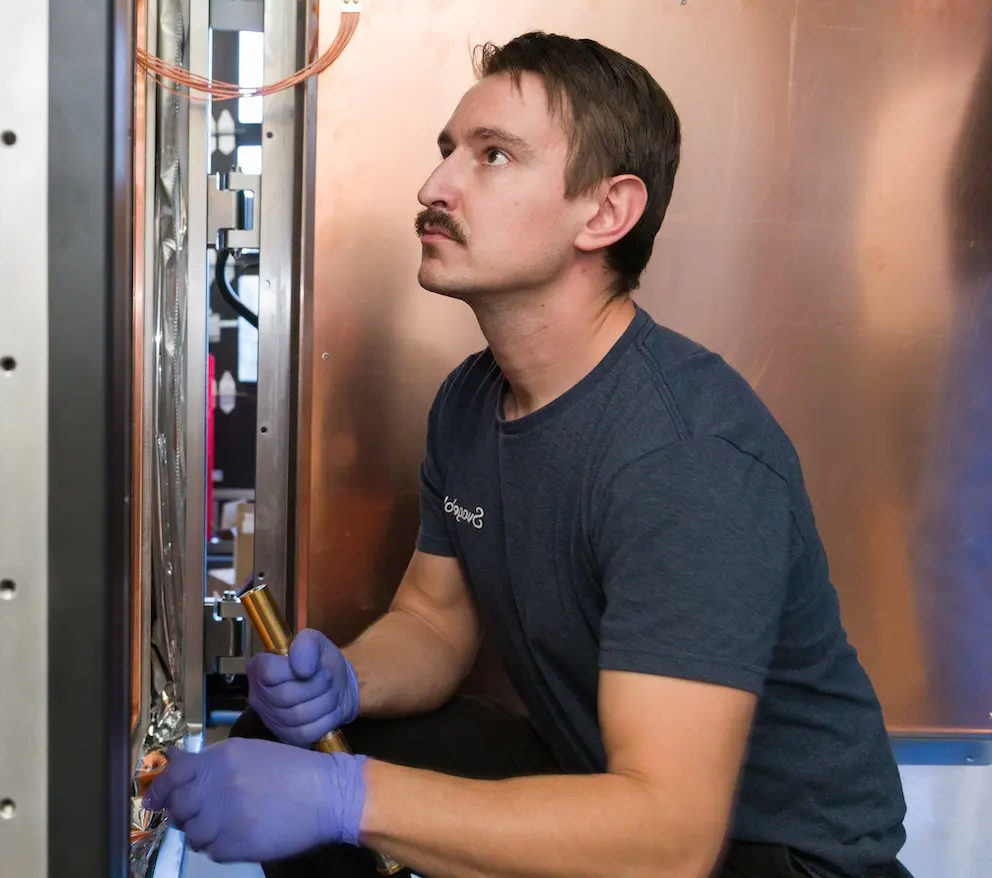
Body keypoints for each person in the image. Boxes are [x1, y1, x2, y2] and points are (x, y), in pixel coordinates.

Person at [144, 31, 911, 878]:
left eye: (494, 156)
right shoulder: (473, 400)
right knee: (287, 739)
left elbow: (668, 841)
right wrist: (348, 683)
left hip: (768, 856)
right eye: (447, 152)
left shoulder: (688, 455)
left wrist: (348, 801)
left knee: (336, 793)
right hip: (601, 782)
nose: (435, 187)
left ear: (607, 212)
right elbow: (435, 622)